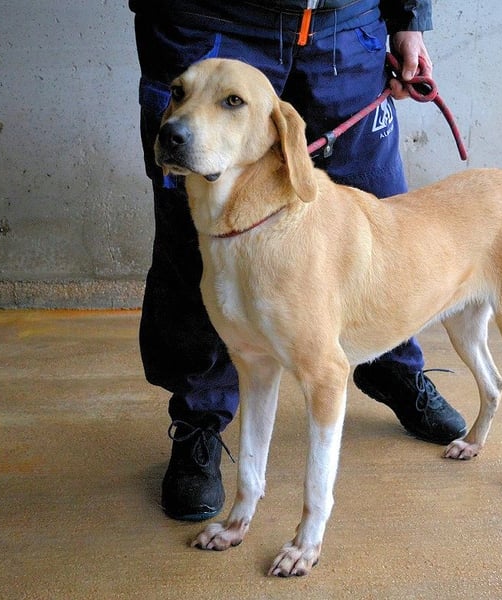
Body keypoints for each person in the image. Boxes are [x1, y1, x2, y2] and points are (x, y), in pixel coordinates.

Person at [128, 0, 467, 522]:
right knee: (189, 234)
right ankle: (201, 422)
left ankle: (389, 364)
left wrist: (409, 19)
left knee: (377, 219)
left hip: (344, 24)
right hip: (212, 18)